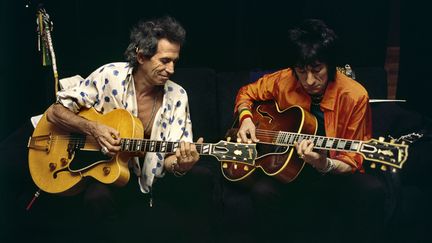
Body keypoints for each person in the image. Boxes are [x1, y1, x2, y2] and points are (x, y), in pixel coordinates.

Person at [45, 16, 214, 242]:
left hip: (150, 181)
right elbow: (56, 112)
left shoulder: (178, 96)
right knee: (96, 198)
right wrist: (93, 128)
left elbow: (171, 160)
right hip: (106, 172)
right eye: (164, 61)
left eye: (175, 61)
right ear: (141, 55)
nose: (171, 69)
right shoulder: (109, 76)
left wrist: (183, 164)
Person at [229, 19, 386, 243]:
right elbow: (247, 92)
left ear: (330, 65)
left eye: (316, 70)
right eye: (301, 71)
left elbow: (353, 158)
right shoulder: (284, 80)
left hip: (332, 170)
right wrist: (246, 119)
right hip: (290, 168)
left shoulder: (355, 95)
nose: (309, 80)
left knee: (372, 190)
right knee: (262, 192)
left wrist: (325, 164)